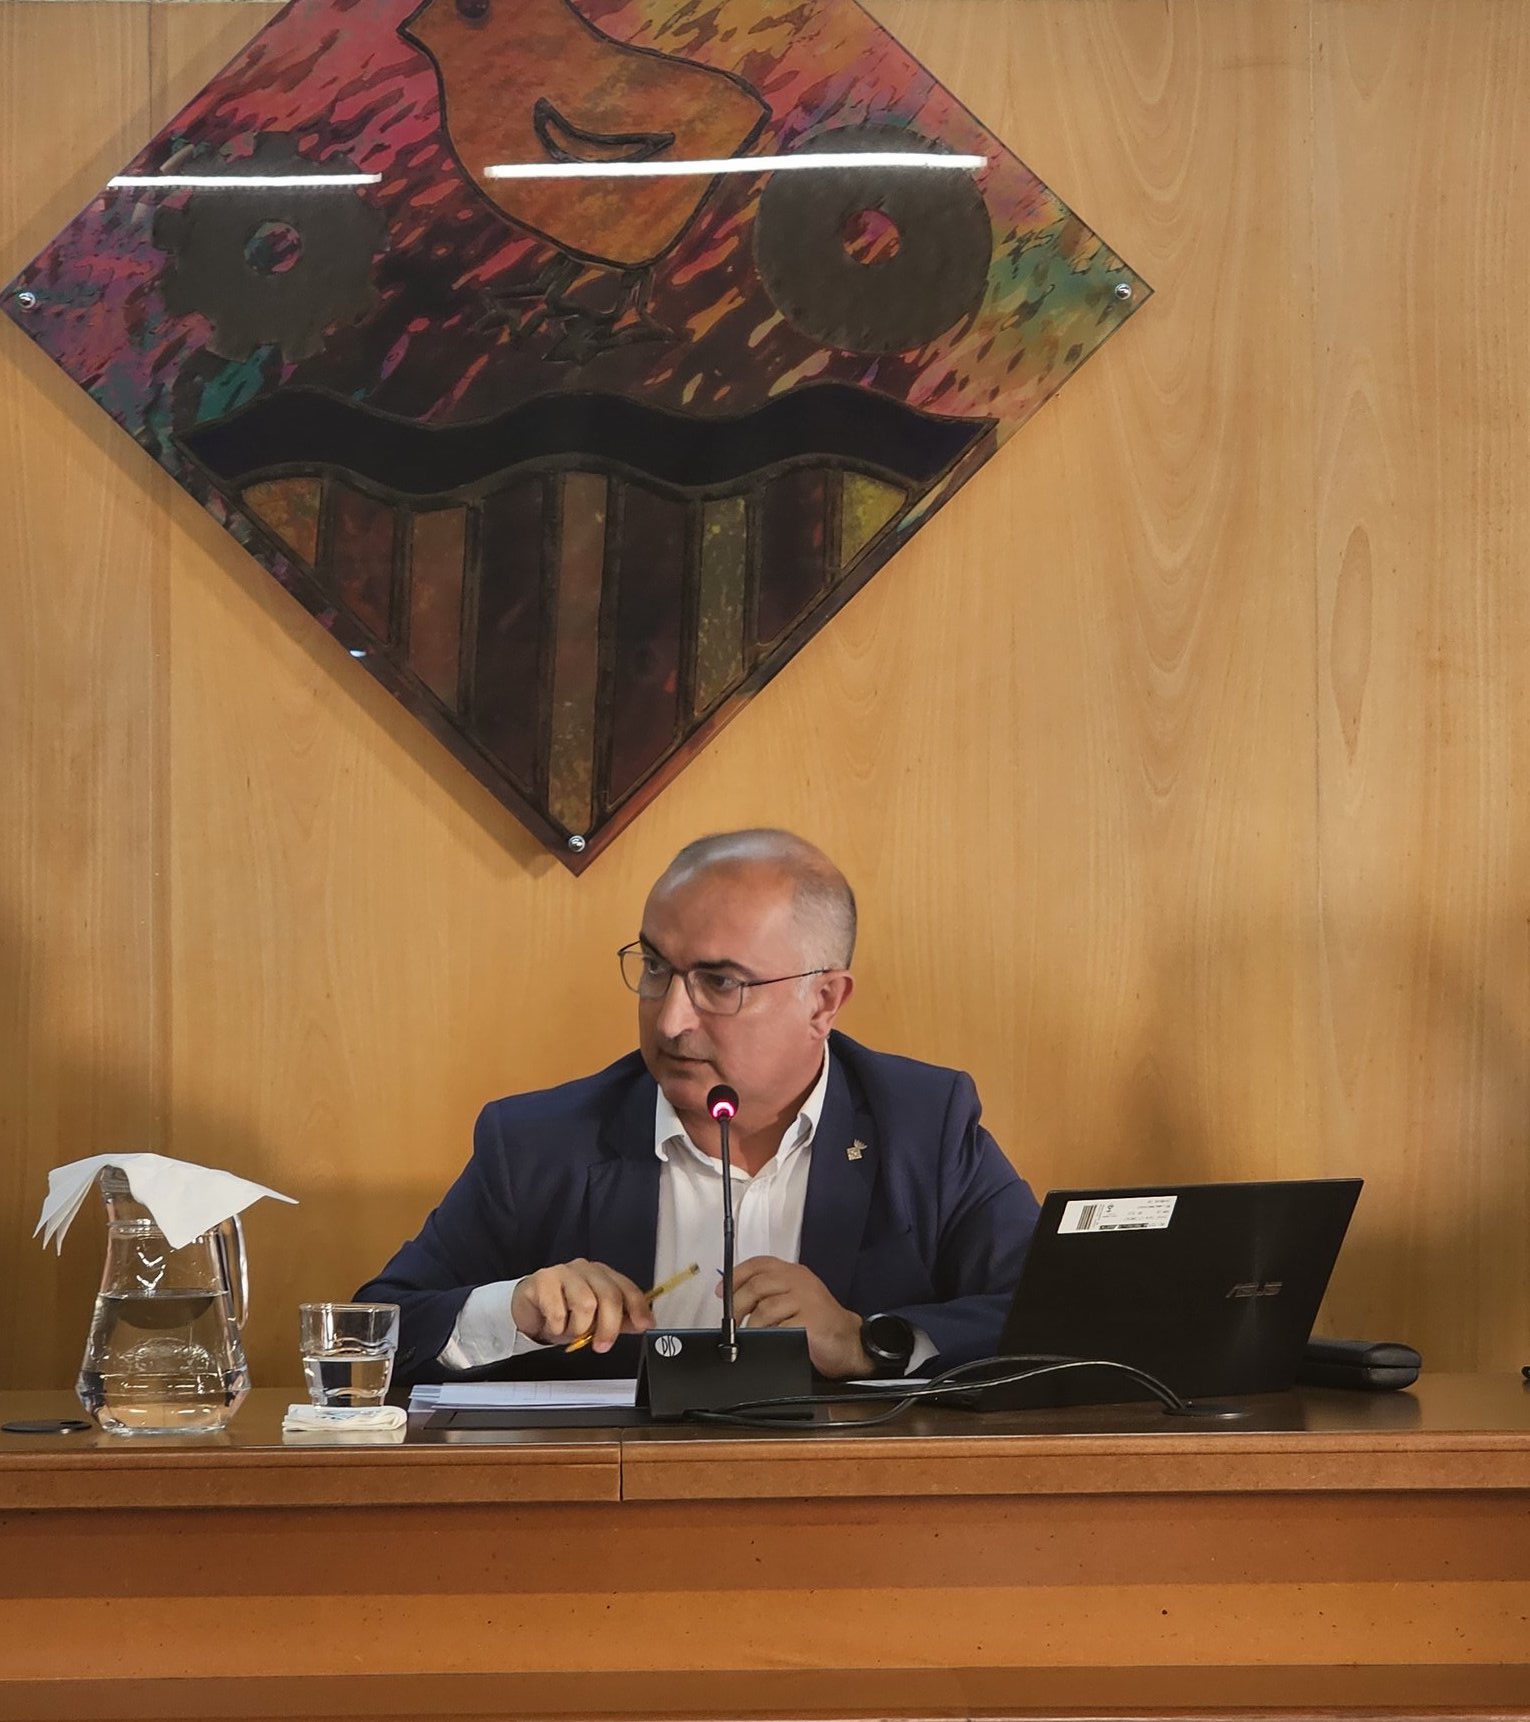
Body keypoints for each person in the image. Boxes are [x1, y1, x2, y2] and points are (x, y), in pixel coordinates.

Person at [359, 829, 1039, 1389]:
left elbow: (1052, 1322)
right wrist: (511, 1310)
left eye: (720, 982)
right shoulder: (540, 1143)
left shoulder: (924, 1125)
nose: (671, 1019)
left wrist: (866, 1341)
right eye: (656, 968)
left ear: (824, 1001)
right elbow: (373, 1333)